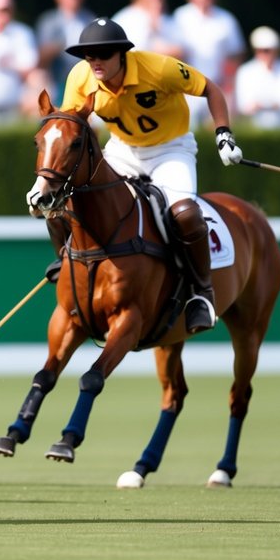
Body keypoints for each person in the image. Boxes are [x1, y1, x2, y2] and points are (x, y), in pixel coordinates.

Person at [50, 18, 242, 334]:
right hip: (123, 150)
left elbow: (211, 89)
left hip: (171, 150)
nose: (95, 62)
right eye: (89, 55)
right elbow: (72, 121)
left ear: (122, 54)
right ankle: (67, 264)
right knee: (74, 201)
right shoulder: (81, 77)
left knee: (184, 212)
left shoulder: (160, 69)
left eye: (104, 54)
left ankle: (202, 292)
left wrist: (223, 134)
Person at [172, 0, 245, 128]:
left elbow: (234, 56)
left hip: (216, 86)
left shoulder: (226, 20)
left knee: (219, 132)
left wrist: (229, 89)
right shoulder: (180, 17)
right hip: (186, 88)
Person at [34, 0, 94, 99]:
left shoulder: (90, 19)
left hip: (86, 79)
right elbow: (40, 59)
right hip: (57, 80)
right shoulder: (48, 22)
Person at [234, 26, 280, 130]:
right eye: (262, 50)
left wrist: (260, 104)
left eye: (268, 50)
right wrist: (271, 104)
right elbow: (244, 106)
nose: (266, 54)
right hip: (255, 128)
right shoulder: (245, 71)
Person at [112, 0, 183, 59]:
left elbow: (182, 50)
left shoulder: (166, 20)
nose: (157, 5)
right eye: (150, 1)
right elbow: (134, 53)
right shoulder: (126, 20)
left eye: (160, 0)